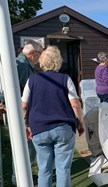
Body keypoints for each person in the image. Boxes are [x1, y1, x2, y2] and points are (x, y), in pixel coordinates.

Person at [21, 46, 85, 187]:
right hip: (63, 128)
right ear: (58, 62)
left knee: (44, 169)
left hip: (39, 128)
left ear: (42, 61)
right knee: (63, 169)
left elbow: (24, 106)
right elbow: (75, 104)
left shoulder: (32, 80)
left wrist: (25, 125)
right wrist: (80, 123)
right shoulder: (65, 79)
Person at [13, 40, 43, 185]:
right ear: (32, 53)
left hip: (24, 111)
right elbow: (25, 92)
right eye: (40, 54)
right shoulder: (23, 66)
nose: (40, 57)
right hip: (24, 113)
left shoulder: (23, 64)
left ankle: (24, 174)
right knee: (27, 144)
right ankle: (21, 176)